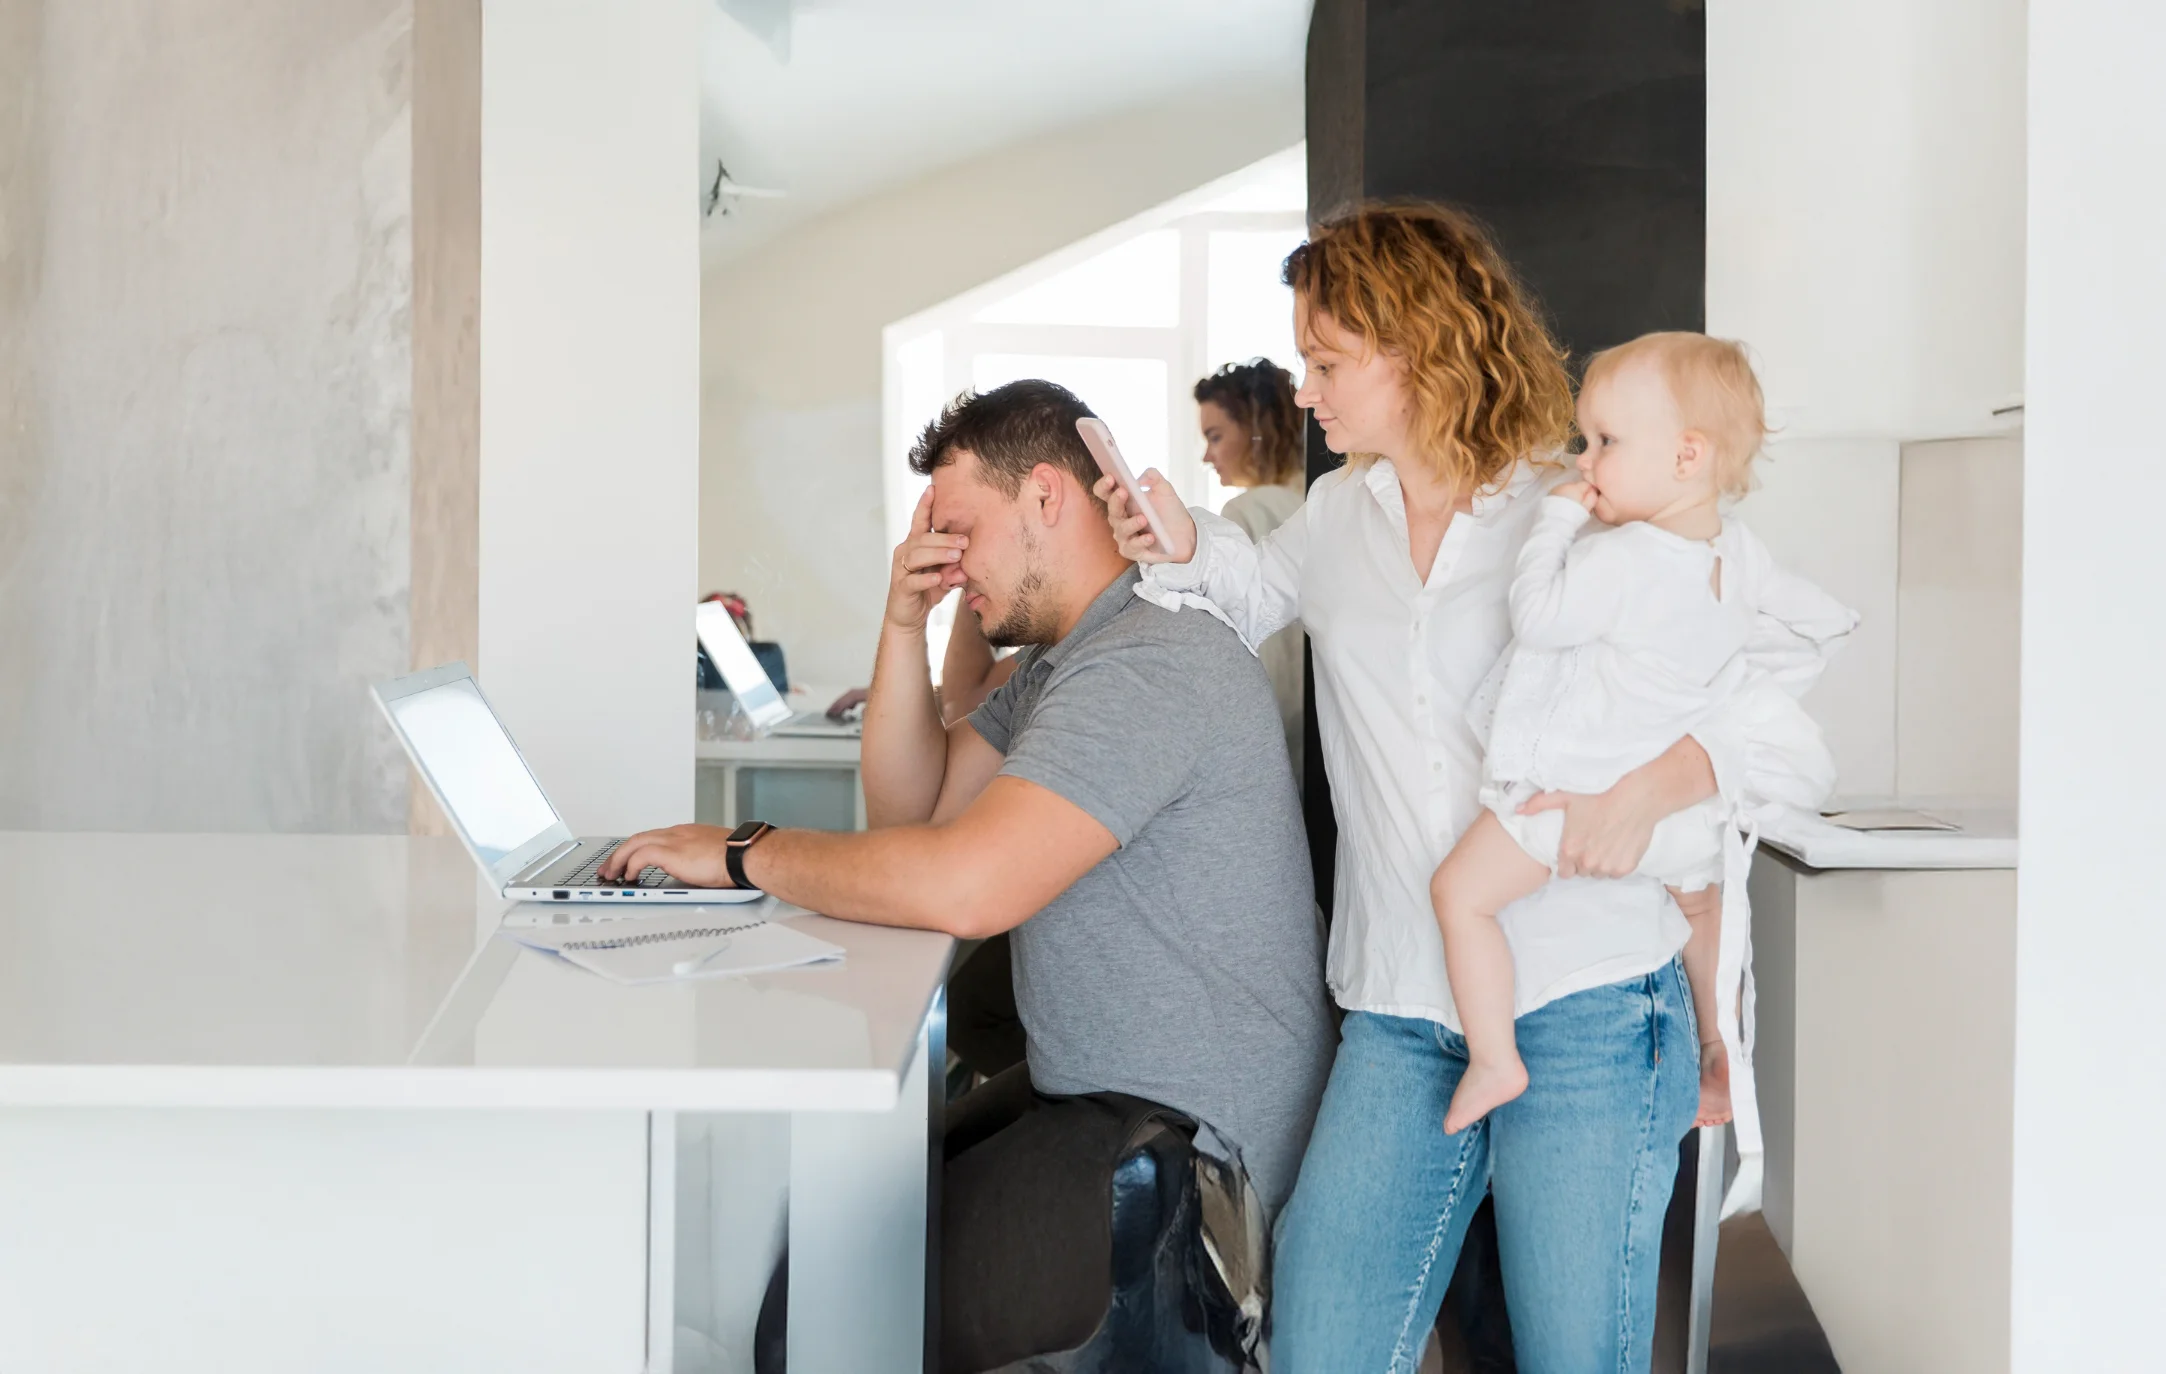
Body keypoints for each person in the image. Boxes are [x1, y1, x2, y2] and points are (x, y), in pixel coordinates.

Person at [1102, 203, 1845, 1371]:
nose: (1305, 392)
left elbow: (1765, 710)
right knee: (1320, 1353)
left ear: (1422, 351)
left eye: (1329, 362)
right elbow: (1244, 591)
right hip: (1402, 1009)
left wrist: (1649, 792)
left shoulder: (1582, 506)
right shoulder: (1339, 514)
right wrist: (1172, 536)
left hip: (1593, 1004)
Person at [601, 379, 1334, 1339]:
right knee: (827, 1268)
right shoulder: (1061, 662)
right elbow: (916, 806)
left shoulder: (1152, 661)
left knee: (824, 1316)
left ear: (1045, 498)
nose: (947, 564)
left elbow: (964, 884)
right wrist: (905, 619)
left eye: (960, 533)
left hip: (1193, 1154)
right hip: (1107, 1097)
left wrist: (743, 852)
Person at [1428, 332, 1857, 1136]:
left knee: (1458, 895)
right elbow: (1813, 620)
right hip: (1672, 818)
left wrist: (1552, 526)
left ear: (1688, 456)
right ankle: (1718, 1043)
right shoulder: (1739, 554)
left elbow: (1539, 617)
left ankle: (1493, 1058)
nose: (1583, 462)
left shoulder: (1621, 559)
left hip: (1578, 798)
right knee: (1698, 904)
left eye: (1605, 443)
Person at [1196, 358, 1310, 785]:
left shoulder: (1246, 513)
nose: (1207, 455)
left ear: (1257, 429)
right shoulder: (1323, 498)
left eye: (1215, 436)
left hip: (1276, 751)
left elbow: (1262, 665)